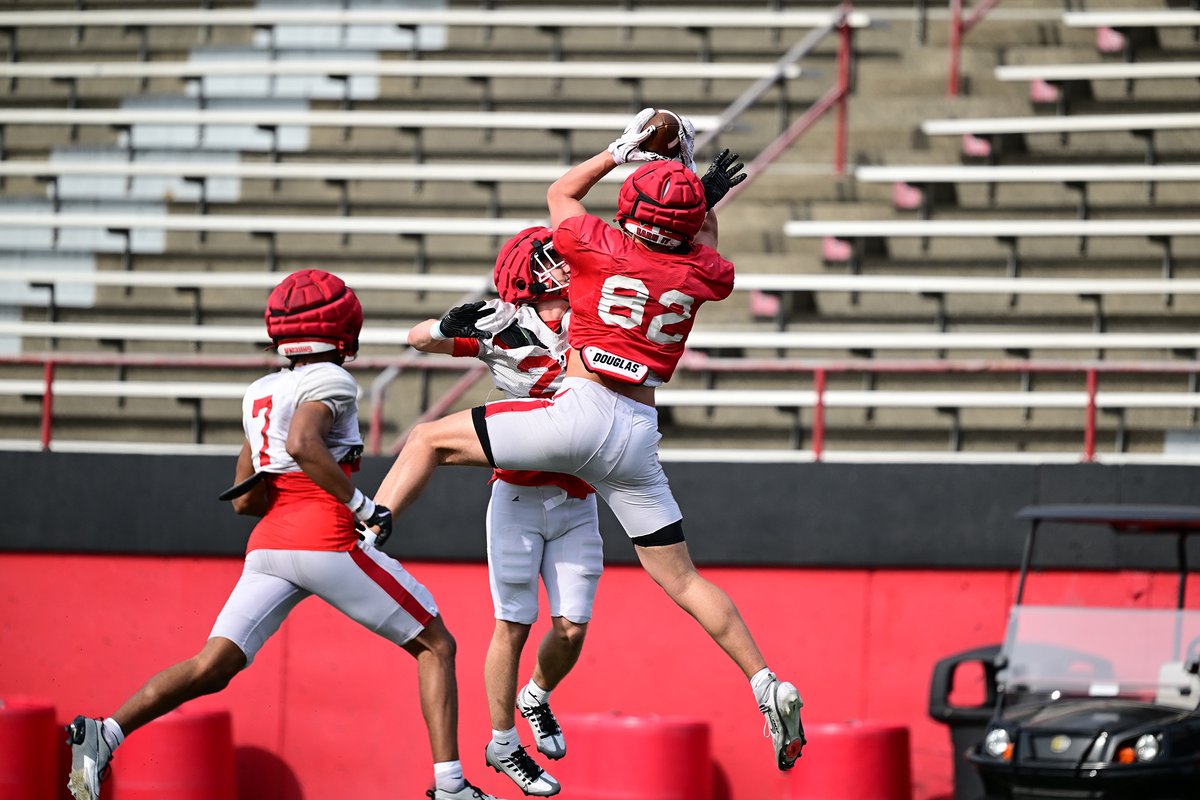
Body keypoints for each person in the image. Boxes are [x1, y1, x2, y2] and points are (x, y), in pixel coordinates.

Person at [372, 113, 806, 772]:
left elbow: (561, 196)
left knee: (428, 438)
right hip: (637, 439)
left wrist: (621, 152)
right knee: (684, 580)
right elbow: (700, 246)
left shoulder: (596, 247)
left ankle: (368, 533)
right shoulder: (704, 275)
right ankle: (763, 680)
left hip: (577, 415)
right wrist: (691, 182)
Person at [65, 269, 504, 800]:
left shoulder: (260, 391)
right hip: (325, 536)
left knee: (214, 663)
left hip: (271, 544)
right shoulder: (332, 380)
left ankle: (106, 732)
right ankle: (451, 786)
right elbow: (302, 441)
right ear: (343, 326)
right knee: (436, 644)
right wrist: (363, 505)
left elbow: (247, 499)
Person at [406, 227, 599, 797]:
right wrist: (445, 325)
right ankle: (502, 739)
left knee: (573, 627)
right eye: (555, 262)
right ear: (531, 274)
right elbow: (417, 339)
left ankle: (535, 695)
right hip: (516, 492)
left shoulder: (594, 312)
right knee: (512, 623)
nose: (567, 268)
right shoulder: (502, 322)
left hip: (578, 495)